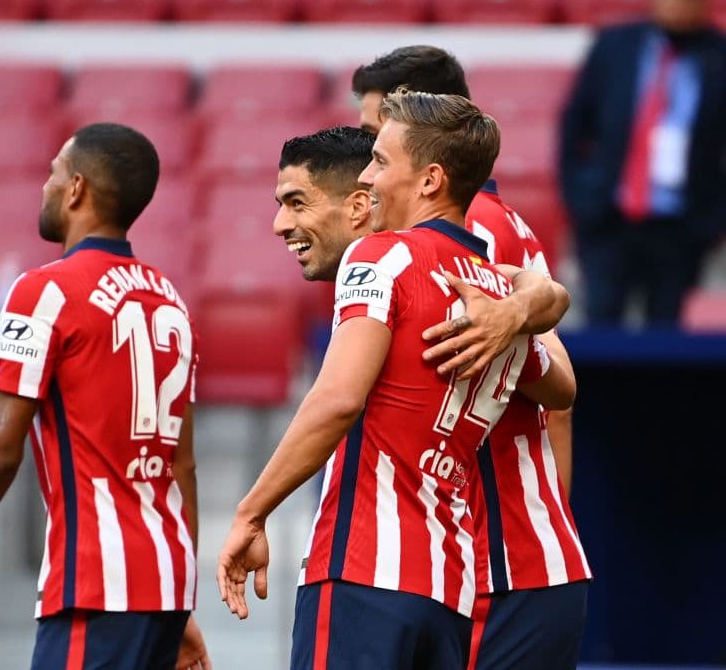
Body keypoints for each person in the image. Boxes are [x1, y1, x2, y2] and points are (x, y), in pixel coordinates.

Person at [217, 91, 574, 669]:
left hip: (364, 568)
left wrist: (251, 513)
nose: (368, 176)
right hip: (449, 585)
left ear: (430, 179)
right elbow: (560, 388)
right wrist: (530, 302)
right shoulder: (498, 295)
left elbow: (336, 401)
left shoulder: (381, 257)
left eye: (381, 162)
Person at [0, 123, 210, 670]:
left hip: (95, 583)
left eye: (53, 171)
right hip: (166, 580)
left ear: (77, 188)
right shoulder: (170, 301)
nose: (45, 185)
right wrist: (180, 605)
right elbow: (182, 466)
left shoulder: (45, 291)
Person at [355, 46, 591, 669]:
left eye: (375, 142)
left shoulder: (465, 229)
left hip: (495, 559)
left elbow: (556, 390)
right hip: (520, 554)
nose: (364, 169)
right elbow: (557, 383)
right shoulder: (504, 221)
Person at [559, 0, 726, 326]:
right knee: (601, 325)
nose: (679, 5)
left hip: (681, 224)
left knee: (666, 332)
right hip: (608, 217)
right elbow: (575, 124)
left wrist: (714, 218)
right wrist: (579, 194)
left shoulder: (718, 55)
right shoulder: (616, 45)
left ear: (703, 3)